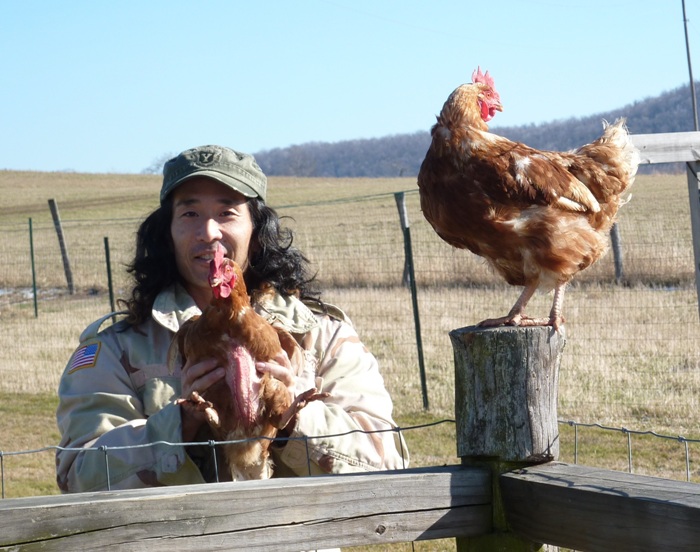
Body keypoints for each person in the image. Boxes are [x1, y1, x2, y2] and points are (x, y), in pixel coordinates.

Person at [56, 145, 408, 492]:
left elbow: (389, 463)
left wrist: (295, 413)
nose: (208, 232)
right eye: (190, 214)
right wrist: (176, 426)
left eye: (226, 213)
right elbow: (78, 476)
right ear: (168, 233)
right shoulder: (119, 347)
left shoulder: (320, 335)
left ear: (257, 233)